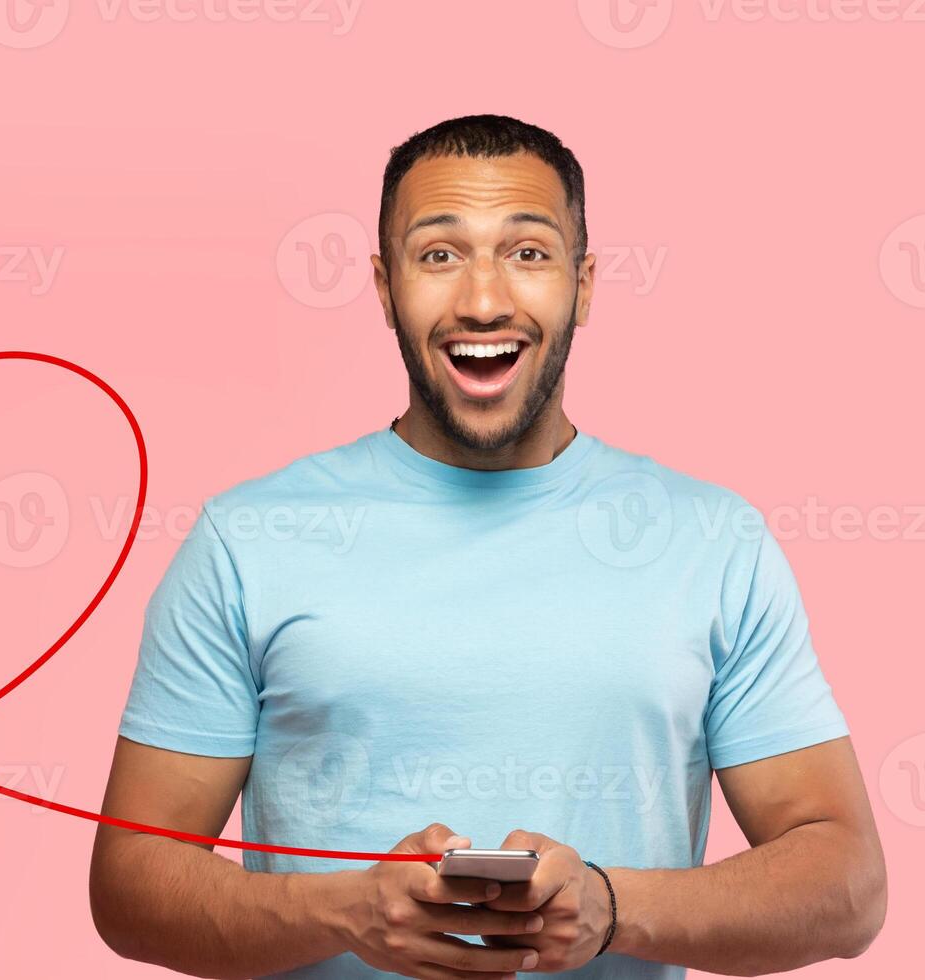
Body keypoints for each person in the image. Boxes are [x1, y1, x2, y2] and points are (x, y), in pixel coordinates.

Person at [88, 115, 887, 979]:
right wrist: (344, 910)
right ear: (384, 286)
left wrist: (613, 909)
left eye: (529, 254)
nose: (481, 301)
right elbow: (131, 887)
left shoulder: (714, 543)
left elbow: (847, 885)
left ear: (584, 286)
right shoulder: (246, 540)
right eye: (438, 256)